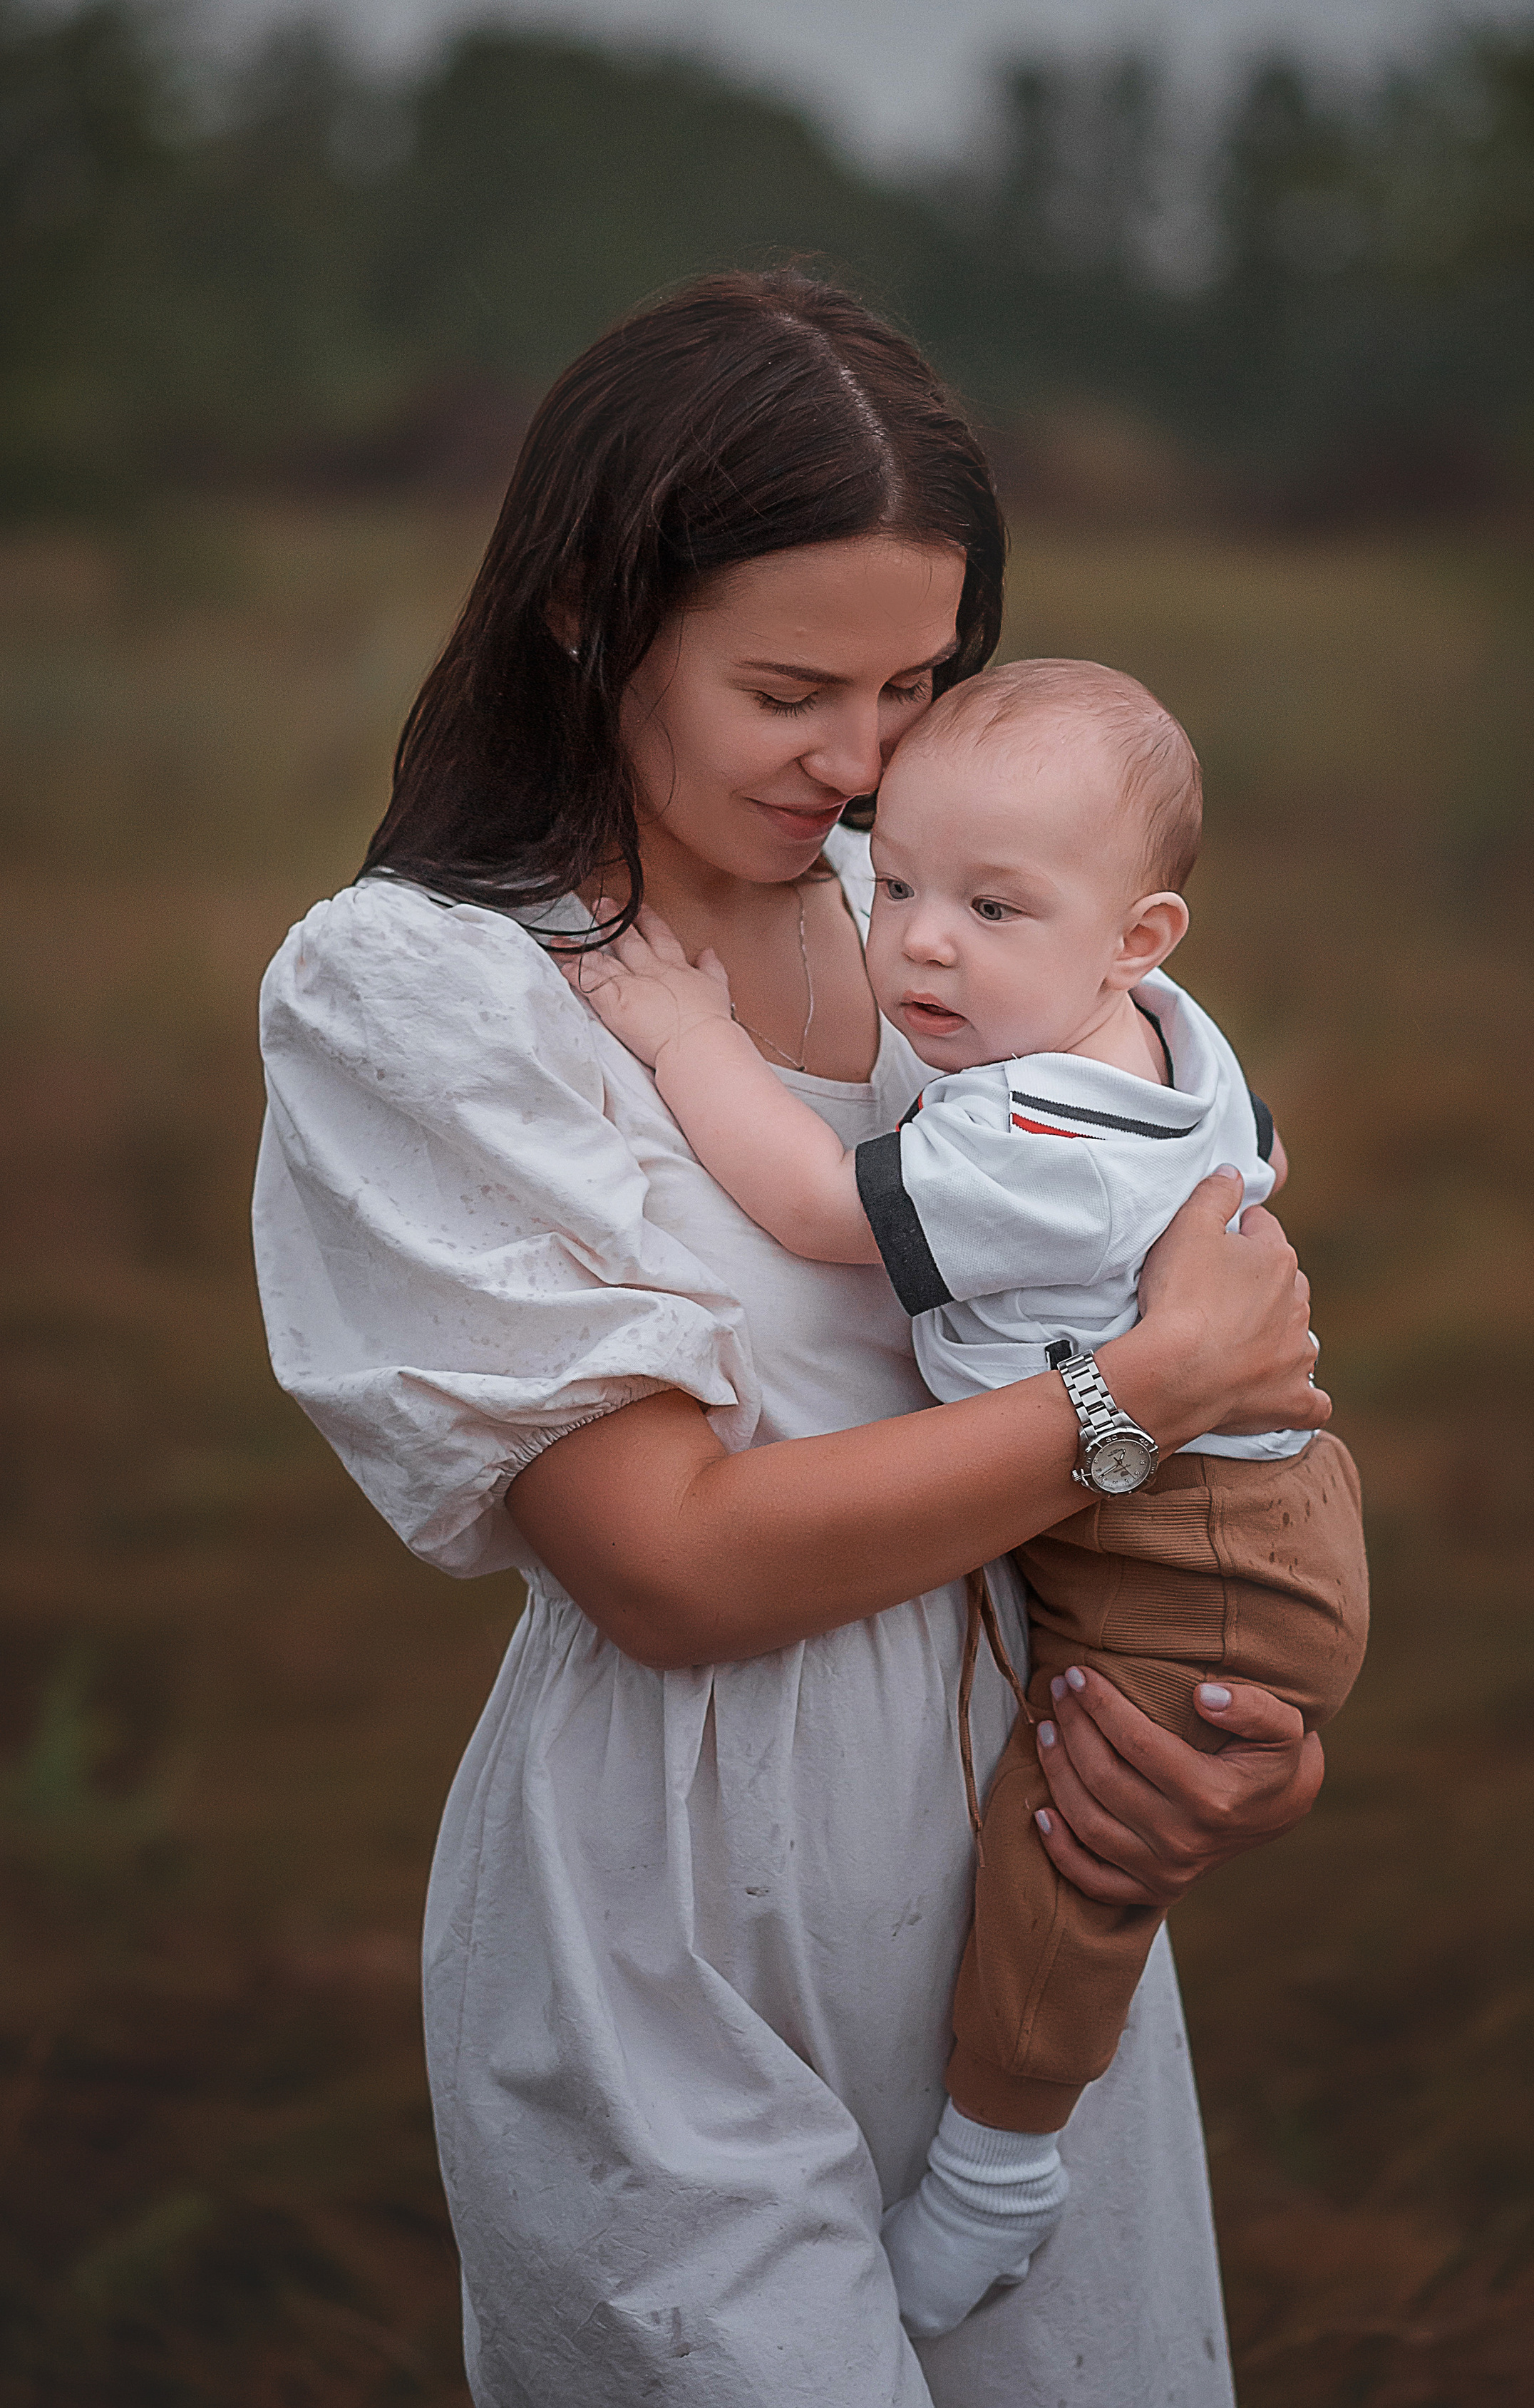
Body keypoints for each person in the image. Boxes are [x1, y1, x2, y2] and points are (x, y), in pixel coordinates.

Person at [252, 268, 1332, 2408]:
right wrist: (1139, 1401)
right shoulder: (435, 994)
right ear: (585, 610)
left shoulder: (938, 917)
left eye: (918, 684)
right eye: (789, 690)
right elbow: (669, 1564)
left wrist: (1226, 1723)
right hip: (682, 1914)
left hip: (1021, 1868)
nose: (861, 760)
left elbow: (1170, 1310)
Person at [565, 654, 1369, 2339]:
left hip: (1186, 1548)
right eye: (903, 878)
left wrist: (682, 1032)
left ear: (1135, 937)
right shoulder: (1152, 1036)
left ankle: (999, 2164)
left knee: (1072, 1840)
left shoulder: (1035, 1139)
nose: (920, 939)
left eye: (992, 907)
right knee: (1084, 1799)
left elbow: (807, 1200)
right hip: (1223, 1497)